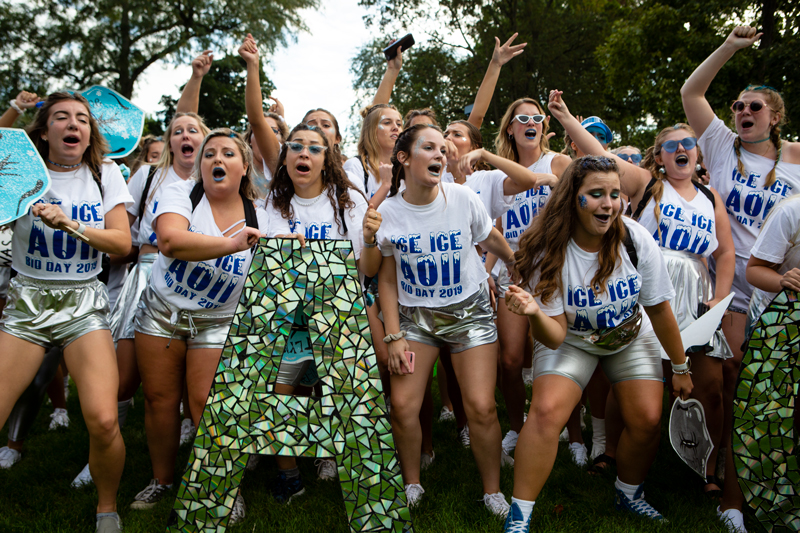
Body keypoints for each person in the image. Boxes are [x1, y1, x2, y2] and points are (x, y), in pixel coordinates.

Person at [548, 90, 735, 492]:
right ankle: (612, 452)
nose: (682, 149)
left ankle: (706, 467)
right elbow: (599, 156)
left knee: (711, 387)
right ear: (660, 157)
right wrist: (565, 118)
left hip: (697, 295)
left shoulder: (710, 196)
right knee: (632, 380)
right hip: (648, 290)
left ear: (698, 153)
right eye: (671, 145)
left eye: (689, 143)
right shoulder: (647, 184)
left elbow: (725, 252)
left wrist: (720, 296)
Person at [501, 155, 693, 532]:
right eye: (596, 194)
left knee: (648, 419)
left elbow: (659, 309)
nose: (608, 204)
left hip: (629, 335)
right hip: (572, 339)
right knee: (545, 412)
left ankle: (629, 493)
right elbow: (554, 335)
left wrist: (680, 366)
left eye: (615, 194)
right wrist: (534, 313)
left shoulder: (635, 238)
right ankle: (519, 515)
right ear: (572, 197)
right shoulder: (548, 250)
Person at [681, 24, 800, 532]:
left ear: (775, 117)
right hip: (728, 286)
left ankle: (750, 477)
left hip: (783, 290)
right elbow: (691, 93)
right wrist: (730, 47)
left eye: (755, 107)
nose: (744, 112)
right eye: (738, 106)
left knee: (762, 390)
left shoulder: (796, 158)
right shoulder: (721, 146)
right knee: (726, 384)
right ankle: (719, 475)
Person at [0, 92, 134, 533]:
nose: (74, 124)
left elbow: (122, 243)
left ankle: (107, 509)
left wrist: (71, 224)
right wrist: (14, 110)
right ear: (44, 131)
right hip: (27, 303)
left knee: (103, 419)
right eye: (61, 117)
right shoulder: (21, 174)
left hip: (83, 304)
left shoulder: (105, 173)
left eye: (82, 118)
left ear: (90, 134)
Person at [130, 129, 277, 525]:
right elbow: (170, 242)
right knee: (159, 400)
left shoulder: (261, 216)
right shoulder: (181, 193)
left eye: (228, 153)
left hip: (217, 320)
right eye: (209, 153)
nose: (217, 159)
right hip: (162, 312)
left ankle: (226, 489)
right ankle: (162, 480)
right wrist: (233, 245)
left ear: (244, 168)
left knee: (207, 402)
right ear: (200, 165)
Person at [376, 123, 516, 517]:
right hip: (416, 319)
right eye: (429, 147)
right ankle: (412, 483)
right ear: (404, 158)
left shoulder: (462, 197)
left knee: (481, 407)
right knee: (403, 406)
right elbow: (386, 279)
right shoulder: (388, 212)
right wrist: (393, 336)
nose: (441, 153)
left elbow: (488, 236)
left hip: (470, 313)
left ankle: (492, 492)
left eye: (443, 147)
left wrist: (513, 262)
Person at [259, 118, 380, 500]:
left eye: (314, 148)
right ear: (285, 158)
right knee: (280, 388)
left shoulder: (348, 202)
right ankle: (289, 473)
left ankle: (332, 456)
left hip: (338, 312)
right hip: (287, 315)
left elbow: (368, 270)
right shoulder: (270, 205)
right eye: (296, 146)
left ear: (327, 159)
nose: (304, 153)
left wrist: (370, 240)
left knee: (340, 390)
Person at [492, 97, 570, 458]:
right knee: (509, 360)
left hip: (553, 269)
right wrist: (493, 269)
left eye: (536, 118)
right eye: (522, 119)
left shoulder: (557, 163)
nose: (530, 123)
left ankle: (572, 431)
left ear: (543, 126)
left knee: (559, 353)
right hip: (514, 271)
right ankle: (516, 427)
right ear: (510, 128)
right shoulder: (499, 175)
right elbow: (495, 229)